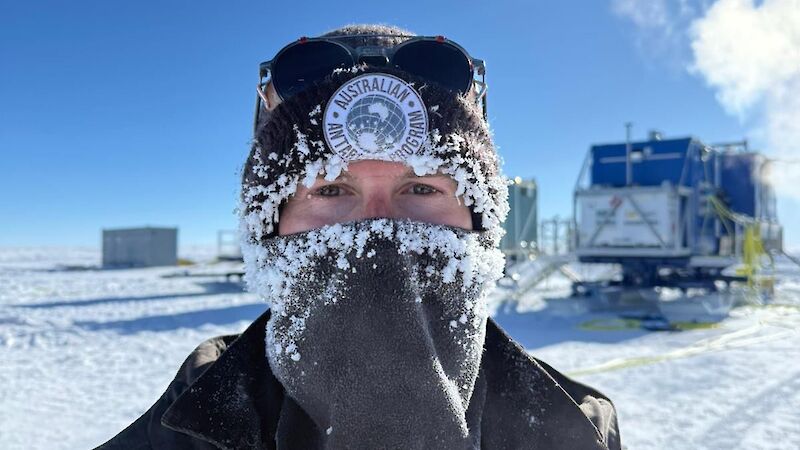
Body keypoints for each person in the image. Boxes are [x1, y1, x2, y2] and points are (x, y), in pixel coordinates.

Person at [97, 24, 621, 450]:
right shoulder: (182, 433)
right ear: (268, 228)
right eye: (330, 191)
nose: (376, 228)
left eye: (420, 187)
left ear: (479, 224)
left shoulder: (577, 430)